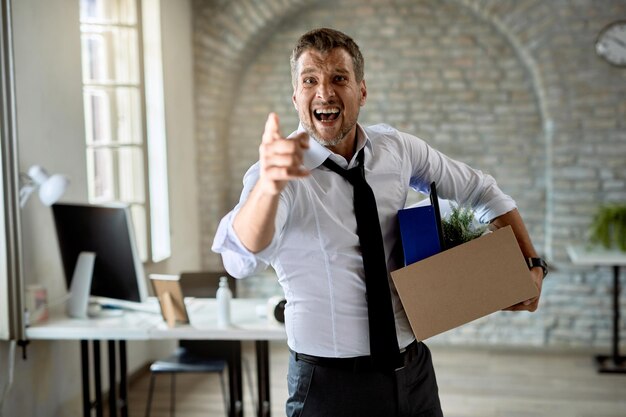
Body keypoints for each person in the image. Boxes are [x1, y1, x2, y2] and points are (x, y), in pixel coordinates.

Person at [212, 27, 545, 417]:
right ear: (296, 96)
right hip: (330, 388)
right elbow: (241, 258)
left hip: (414, 371)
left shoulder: (396, 150)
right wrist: (269, 186)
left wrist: (531, 264)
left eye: (339, 78)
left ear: (362, 91)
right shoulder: (278, 174)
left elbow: (482, 190)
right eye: (310, 81)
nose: (324, 93)